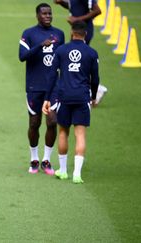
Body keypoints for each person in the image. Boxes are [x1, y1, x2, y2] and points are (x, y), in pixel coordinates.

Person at [42, 21, 100, 184]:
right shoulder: (91, 52)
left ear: (72, 32)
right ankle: (77, 174)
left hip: (64, 97)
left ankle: (63, 170)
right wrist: (93, 96)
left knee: (63, 132)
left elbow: (52, 76)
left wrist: (47, 98)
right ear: (85, 34)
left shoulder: (61, 50)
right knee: (80, 134)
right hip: (82, 97)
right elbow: (95, 78)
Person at [19, 3, 65, 175]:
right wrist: (40, 46)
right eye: (44, 14)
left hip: (54, 87)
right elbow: (22, 56)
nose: (48, 16)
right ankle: (34, 158)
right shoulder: (29, 34)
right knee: (34, 123)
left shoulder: (59, 34)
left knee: (52, 122)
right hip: (34, 86)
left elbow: (62, 60)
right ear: (37, 15)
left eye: (50, 13)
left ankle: (46, 159)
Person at [53, 0, 107, 104]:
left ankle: (97, 89)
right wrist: (61, 3)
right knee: (76, 61)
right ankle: (92, 89)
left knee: (79, 62)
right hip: (76, 31)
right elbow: (75, 6)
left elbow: (97, 10)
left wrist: (77, 19)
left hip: (83, 31)